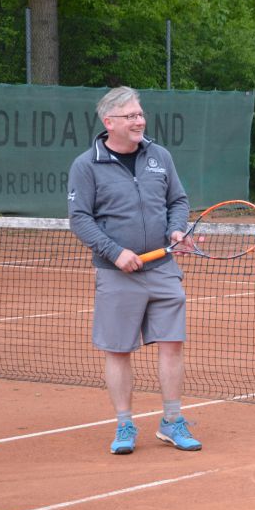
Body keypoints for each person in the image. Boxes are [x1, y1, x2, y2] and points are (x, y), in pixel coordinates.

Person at [67, 86, 202, 455]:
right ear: (109, 122)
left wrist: (177, 229)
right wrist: (115, 252)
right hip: (117, 273)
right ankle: (125, 424)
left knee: (172, 344)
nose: (139, 120)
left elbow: (178, 200)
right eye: (130, 116)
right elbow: (80, 219)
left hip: (163, 268)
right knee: (118, 350)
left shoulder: (159, 156)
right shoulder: (86, 165)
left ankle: (172, 421)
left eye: (140, 114)